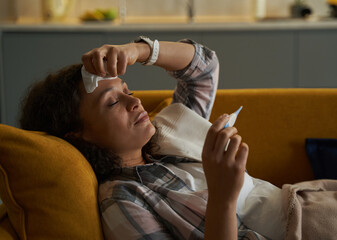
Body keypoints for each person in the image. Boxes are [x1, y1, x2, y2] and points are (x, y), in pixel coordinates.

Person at [20, 37, 269, 240]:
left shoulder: (168, 134)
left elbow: (204, 70)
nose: (135, 102)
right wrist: (222, 199)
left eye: (128, 91)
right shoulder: (123, 200)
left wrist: (138, 50)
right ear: (79, 135)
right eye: (114, 101)